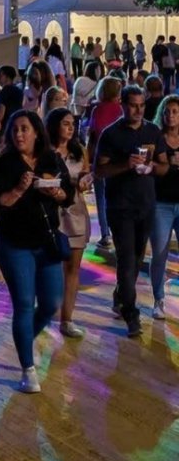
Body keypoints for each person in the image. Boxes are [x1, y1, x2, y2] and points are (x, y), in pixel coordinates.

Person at [0, 110, 74, 393]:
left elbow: (68, 194)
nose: (19, 134)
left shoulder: (51, 159)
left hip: (46, 243)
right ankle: (27, 368)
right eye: (15, 130)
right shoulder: (3, 164)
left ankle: (26, 337)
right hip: (14, 244)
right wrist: (17, 190)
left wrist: (57, 193)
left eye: (24, 129)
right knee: (24, 303)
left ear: (37, 132)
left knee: (51, 302)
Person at [94, 84, 168, 336]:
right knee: (126, 259)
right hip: (120, 206)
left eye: (141, 105)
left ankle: (121, 294)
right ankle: (131, 314)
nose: (138, 110)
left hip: (146, 204)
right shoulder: (111, 134)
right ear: (123, 105)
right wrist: (125, 165)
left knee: (136, 258)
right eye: (133, 105)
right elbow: (99, 170)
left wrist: (152, 168)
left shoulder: (153, 131)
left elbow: (164, 165)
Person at [46, 107, 93, 337]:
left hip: (75, 212)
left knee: (73, 268)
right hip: (50, 213)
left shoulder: (79, 150)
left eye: (72, 124)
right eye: (65, 123)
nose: (70, 127)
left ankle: (67, 319)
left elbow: (86, 174)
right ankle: (44, 309)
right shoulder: (45, 151)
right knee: (48, 266)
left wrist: (85, 181)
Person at [148, 95, 179, 320]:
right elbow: (148, 165)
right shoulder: (156, 137)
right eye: (167, 111)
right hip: (161, 203)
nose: (171, 116)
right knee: (159, 253)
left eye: (175, 111)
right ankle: (158, 298)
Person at [86, 75, 123, 248]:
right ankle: (118, 232)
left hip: (99, 159)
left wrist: (88, 159)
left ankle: (105, 234)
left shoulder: (97, 110)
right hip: (117, 161)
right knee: (117, 197)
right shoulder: (121, 110)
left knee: (101, 198)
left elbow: (92, 136)